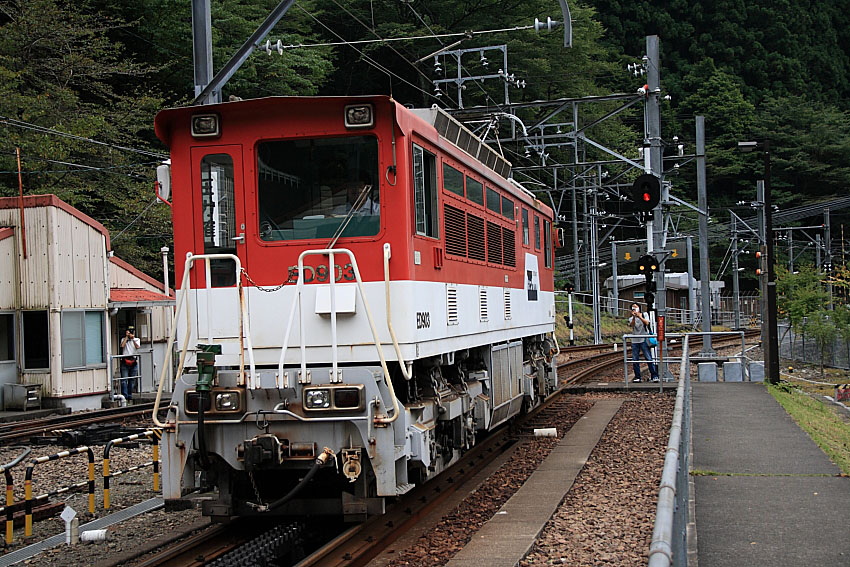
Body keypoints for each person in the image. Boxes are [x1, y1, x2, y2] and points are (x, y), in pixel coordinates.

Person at [628, 302, 659, 382]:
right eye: (633, 308)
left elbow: (647, 323)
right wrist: (634, 317)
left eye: (636, 307)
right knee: (635, 359)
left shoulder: (645, 314)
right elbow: (632, 325)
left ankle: (654, 376)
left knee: (648, 357)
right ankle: (638, 377)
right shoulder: (631, 318)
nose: (634, 309)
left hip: (644, 339)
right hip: (635, 340)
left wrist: (640, 316)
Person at [120, 327, 141, 400]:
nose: (131, 333)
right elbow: (122, 346)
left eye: (132, 332)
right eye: (129, 332)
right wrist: (126, 337)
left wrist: (133, 339)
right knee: (124, 380)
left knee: (132, 380)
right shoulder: (124, 339)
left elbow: (137, 347)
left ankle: (129, 395)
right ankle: (124, 396)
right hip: (125, 361)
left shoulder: (137, 339)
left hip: (133, 361)